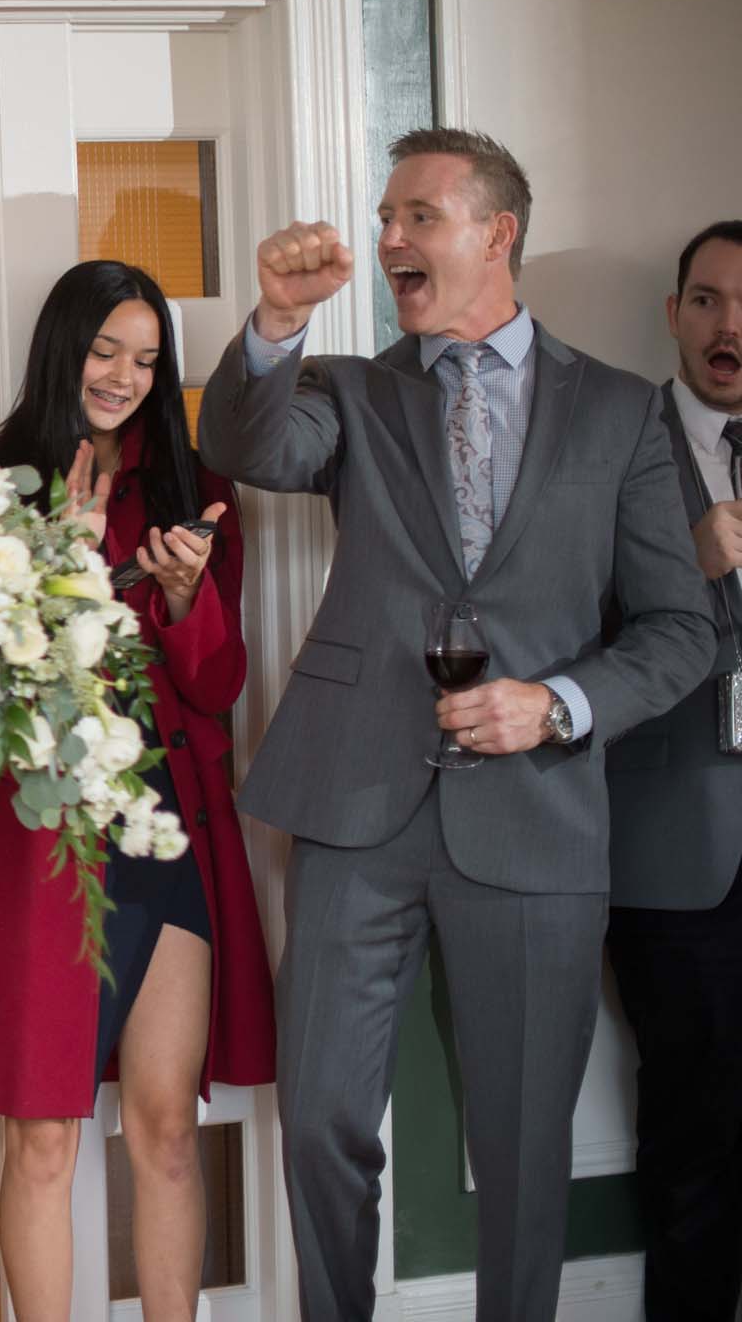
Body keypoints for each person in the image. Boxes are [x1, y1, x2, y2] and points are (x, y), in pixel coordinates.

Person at [197, 128, 713, 1320]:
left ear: (497, 233)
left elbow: (678, 631)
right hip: (353, 804)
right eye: (386, 219)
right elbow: (245, 443)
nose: (388, 242)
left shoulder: (622, 414)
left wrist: (557, 703)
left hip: (533, 819)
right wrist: (275, 322)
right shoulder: (351, 389)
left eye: (417, 217)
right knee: (322, 1117)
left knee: (526, 1147)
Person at [0, 260, 277, 1321]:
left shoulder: (194, 493)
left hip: (164, 837)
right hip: (36, 844)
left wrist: (189, 600)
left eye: (147, 360)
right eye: (105, 351)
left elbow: (218, 687)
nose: (125, 376)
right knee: (44, 1136)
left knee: (165, 1127)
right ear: (63, 346)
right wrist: (53, 559)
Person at [605, 219, 742, 1322]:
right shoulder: (614, 437)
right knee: (692, 1125)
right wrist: (686, 569)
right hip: (671, 844)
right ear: (672, 314)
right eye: (705, 300)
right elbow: (555, 626)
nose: (728, 325)